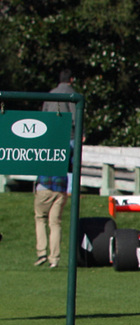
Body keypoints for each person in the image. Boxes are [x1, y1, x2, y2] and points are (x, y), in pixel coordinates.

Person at [34, 71, 77, 267]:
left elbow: (43, 118)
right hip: (61, 184)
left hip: (45, 184)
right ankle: (55, 259)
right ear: (71, 79)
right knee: (56, 223)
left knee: (40, 218)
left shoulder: (50, 95)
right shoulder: (73, 95)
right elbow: (76, 118)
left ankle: (42, 253)